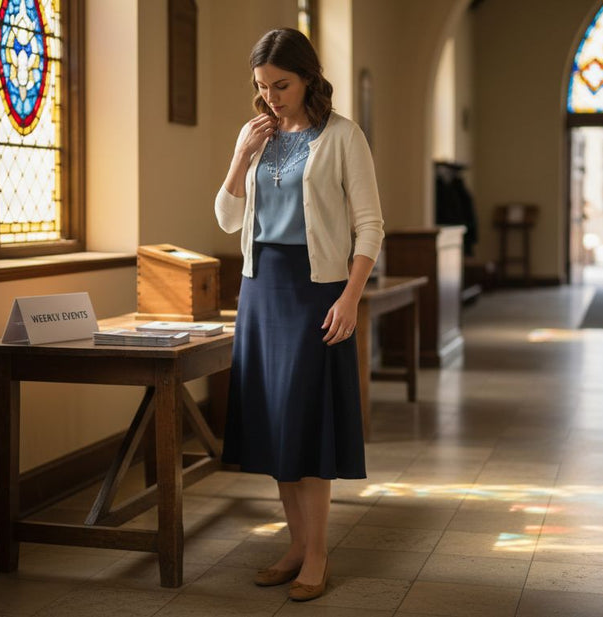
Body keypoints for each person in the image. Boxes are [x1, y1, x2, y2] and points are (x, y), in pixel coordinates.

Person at [214, 28, 384, 602]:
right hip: (261, 291)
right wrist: (241, 156)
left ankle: (316, 554)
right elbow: (228, 220)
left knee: (308, 427)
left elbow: (369, 225)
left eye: (281, 85)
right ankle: (293, 544)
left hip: (317, 293)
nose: (271, 98)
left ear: (308, 77)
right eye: (262, 88)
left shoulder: (342, 136)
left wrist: (350, 296)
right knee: (276, 424)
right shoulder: (254, 133)